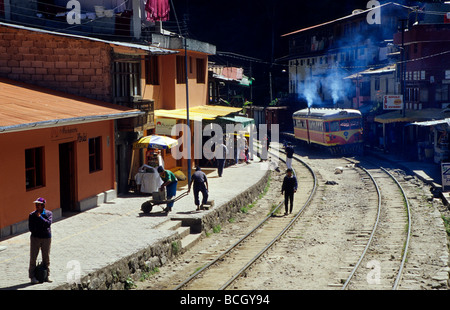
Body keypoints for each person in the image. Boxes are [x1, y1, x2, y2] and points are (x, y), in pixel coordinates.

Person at [28, 197, 52, 284]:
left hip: (46, 238)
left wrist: (40, 217)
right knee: (33, 257)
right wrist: (37, 230)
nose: (37, 206)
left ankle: (46, 275)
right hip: (35, 238)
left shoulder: (49, 213)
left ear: (43, 205)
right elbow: (31, 228)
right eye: (36, 205)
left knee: (46, 257)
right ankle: (32, 276)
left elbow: (48, 224)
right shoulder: (31, 215)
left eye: (38, 205)